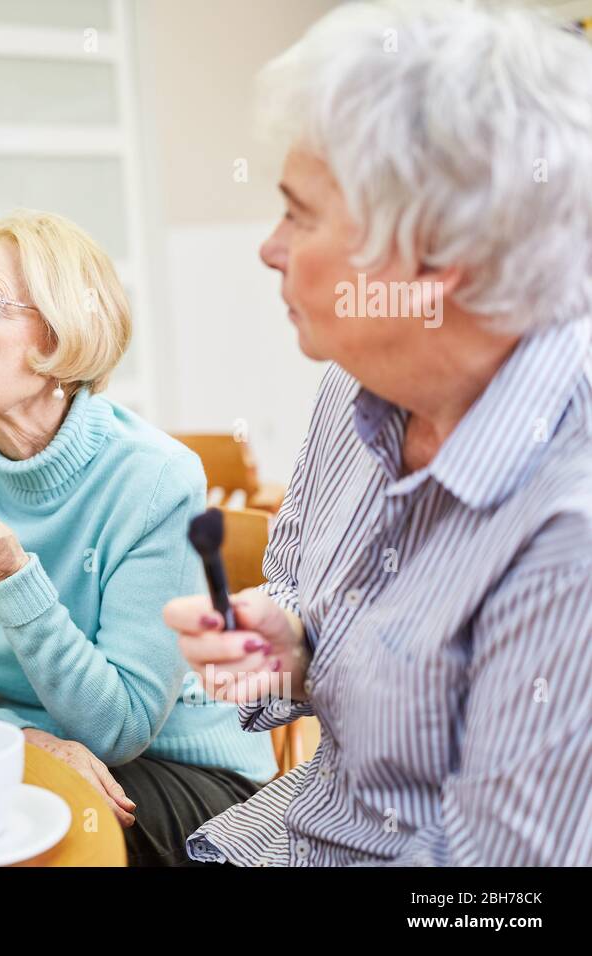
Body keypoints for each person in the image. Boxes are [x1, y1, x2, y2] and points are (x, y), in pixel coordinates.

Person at [166, 0, 592, 865]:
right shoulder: (357, 388)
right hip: (277, 834)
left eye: (300, 214)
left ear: (436, 257)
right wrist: (288, 653)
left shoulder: (568, 530)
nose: (269, 249)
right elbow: (300, 604)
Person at [0, 211, 277, 867]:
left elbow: (120, 726)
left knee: (29, 846)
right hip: (34, 758)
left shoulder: (155, 478)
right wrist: (33, 745)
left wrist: (11, 578)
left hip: (185, 769)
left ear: (59, 332)